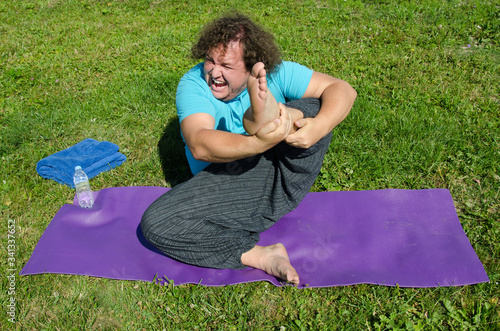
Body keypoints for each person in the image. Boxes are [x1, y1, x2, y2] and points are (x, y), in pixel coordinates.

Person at [141, 12, 357, 285]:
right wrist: (256, 141)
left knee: (314, 107)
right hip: (225, 187)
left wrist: (319, 126)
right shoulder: (194, 83)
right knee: (156, 224)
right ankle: (262, 256)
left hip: (287, 175)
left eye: (226, 66)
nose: (214, 72)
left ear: (251, 65)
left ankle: (269, 119)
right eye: (210, 60)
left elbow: (343, 89)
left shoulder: (276, 72)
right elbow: (199, 143)